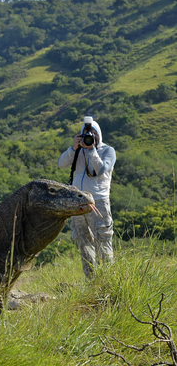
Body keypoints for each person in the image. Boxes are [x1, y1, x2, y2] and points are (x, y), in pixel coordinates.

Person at [57, 116, 116, 278]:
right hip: (78, 203)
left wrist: (92, 150)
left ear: (99, 134)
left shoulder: (108, 151)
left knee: (102, 242)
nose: (89, 137)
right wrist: (73, 149)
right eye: (86, 134)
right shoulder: (77, 151)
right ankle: (91, 281)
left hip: (98, 201)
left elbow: (100, 169)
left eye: (92, 133)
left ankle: (108, 281)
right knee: (84, 243)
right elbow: (61, 164)